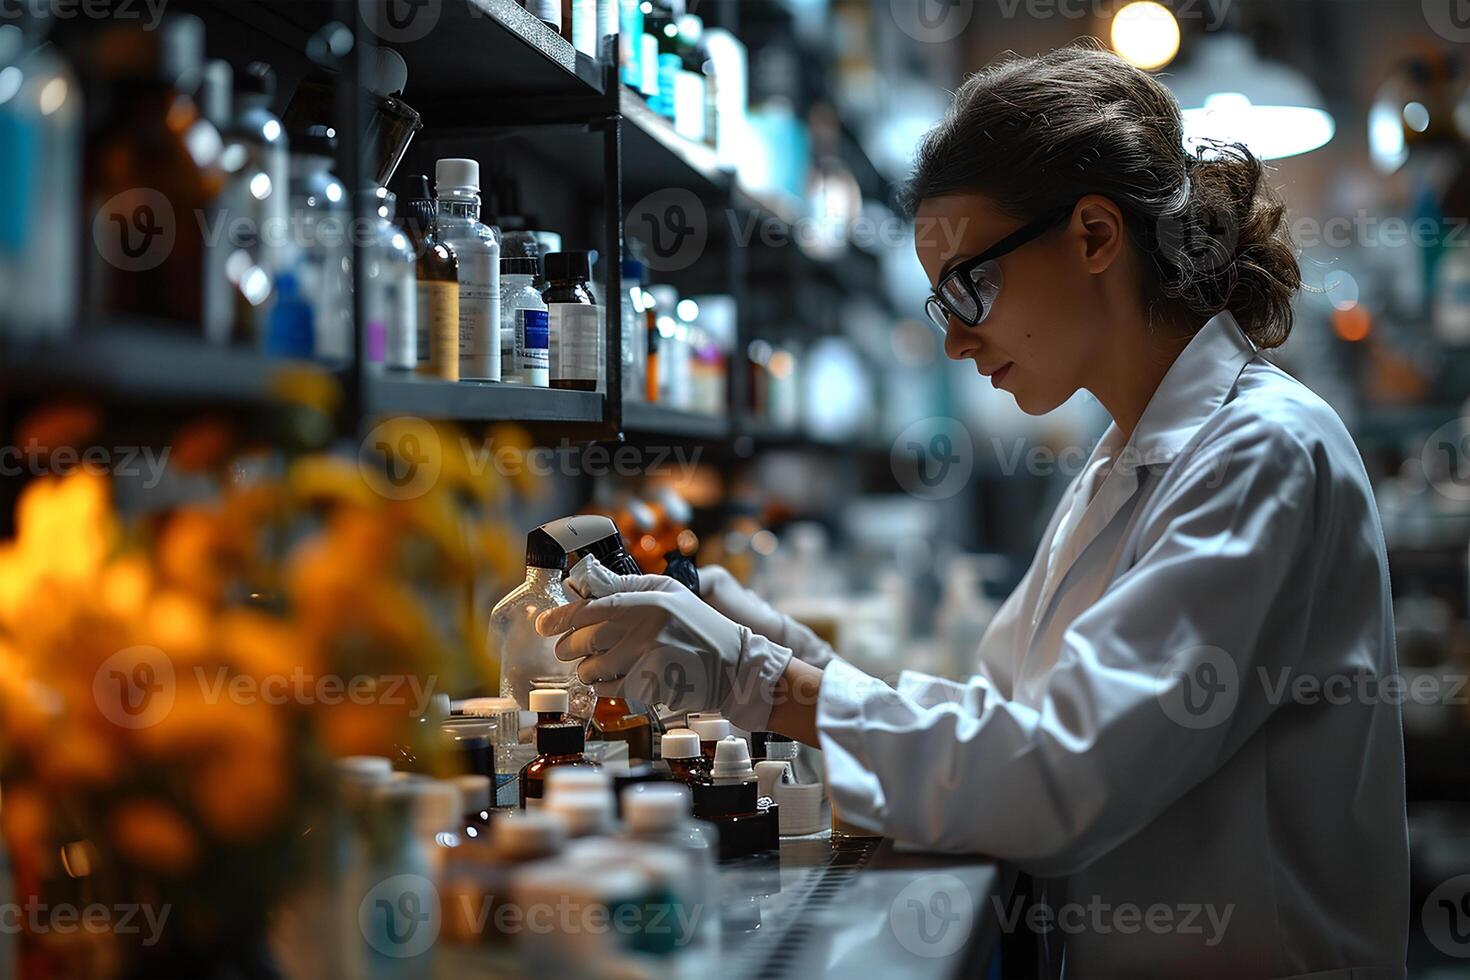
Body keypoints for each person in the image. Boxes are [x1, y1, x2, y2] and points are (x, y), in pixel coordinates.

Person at [537, 44, 1408, 978]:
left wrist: (759, 678)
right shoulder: (1125, 457)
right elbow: (1002, 722)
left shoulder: (1260, 452)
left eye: (971, 286)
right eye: (939, 300)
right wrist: (783, 651)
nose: (954, 340)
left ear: (1093, 236)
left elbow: (1057, 776)